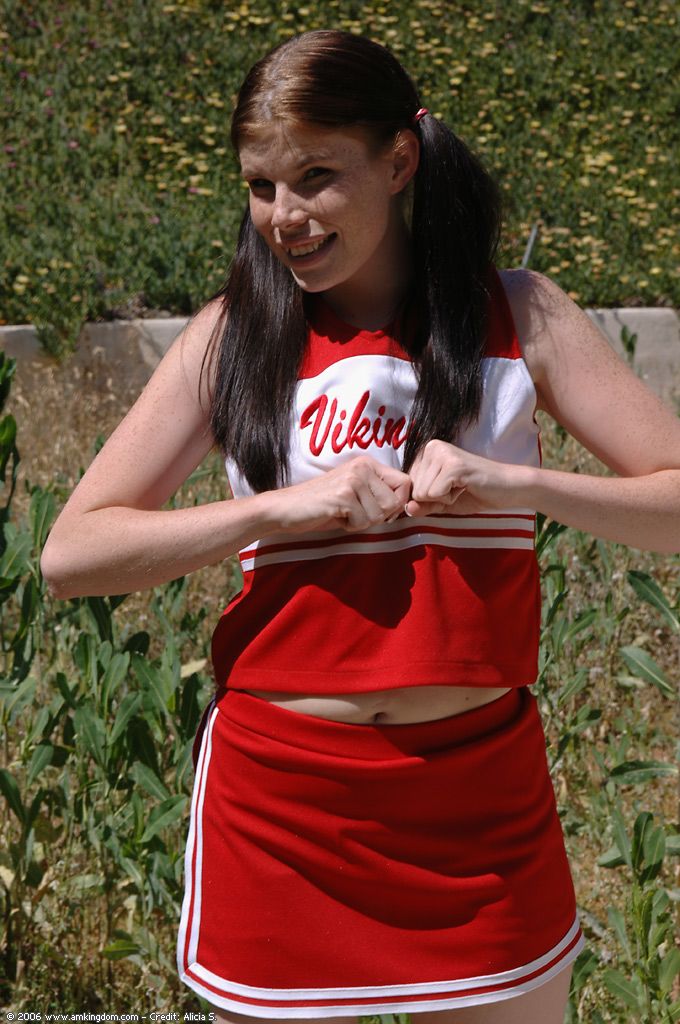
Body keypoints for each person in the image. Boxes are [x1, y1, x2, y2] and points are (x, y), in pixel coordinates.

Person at [40, 29, 680, 1024]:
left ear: (399, 160)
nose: (284, 217)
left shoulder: (519, 315)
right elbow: (70, 554)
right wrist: (277, 508)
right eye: (261, 186)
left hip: (477, 809)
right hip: (280, 808)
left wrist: (519, 486)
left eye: (315, 177)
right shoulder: (233, 335)